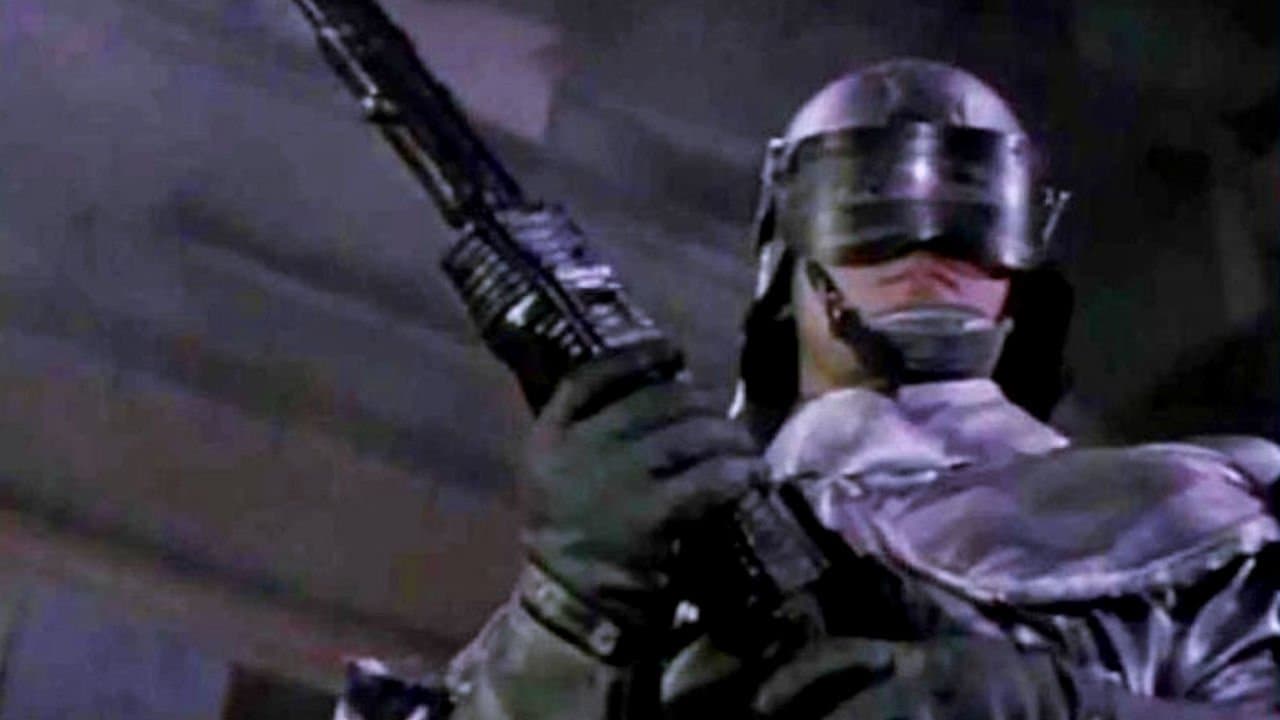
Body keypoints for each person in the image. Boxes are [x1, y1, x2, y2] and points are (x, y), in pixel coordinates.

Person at [341, 59, 1280, 719]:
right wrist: (573, 612)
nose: (927, 250)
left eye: (971, 218)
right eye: (871, 209)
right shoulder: (638, 553)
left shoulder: (1191, 522)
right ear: (789, 250)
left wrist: (1061, 710)